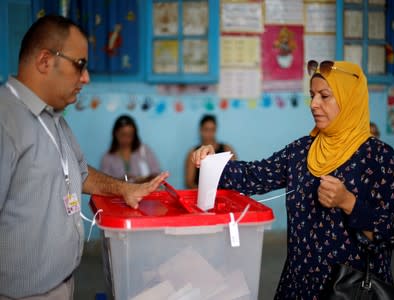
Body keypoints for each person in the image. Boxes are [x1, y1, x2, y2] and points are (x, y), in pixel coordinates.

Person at [192, 60, 394, 299]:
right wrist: (213, 162)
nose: (313, 104)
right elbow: (254, 176)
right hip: (300, 285)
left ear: (350, 100)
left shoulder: (379, 157)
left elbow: (393, 233)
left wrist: (349, 203)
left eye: (324, 96)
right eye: (312, 95)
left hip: (353, 289)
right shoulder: (302, 151)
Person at [0, 15, 169, 299]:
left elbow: (80, 173)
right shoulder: (6, 120)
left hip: (62, 284)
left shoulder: (53, 117)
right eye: (79, 65)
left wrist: (125, 188)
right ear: (44, 61)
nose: (86, 78)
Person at [101, 114, 161, 182]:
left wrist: (143, 180)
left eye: (130, 135)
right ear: (115, 134)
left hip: (144, 191)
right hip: (119, 192)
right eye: (123, 135)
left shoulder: (144, 151)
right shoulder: (108, 157)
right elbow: (104, 183)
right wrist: (122, 181)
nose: (126, 139)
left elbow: (157, 174)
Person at [184, 114, 237, 189]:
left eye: (212, 130)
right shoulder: (193, 153)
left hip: (223, 194)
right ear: (200, 130)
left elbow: (236, 175)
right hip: (200, 195)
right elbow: (189, 182)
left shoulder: (227, 149)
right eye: (206, 129)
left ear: (216, 130)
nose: (209, 133)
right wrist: (204, 192)